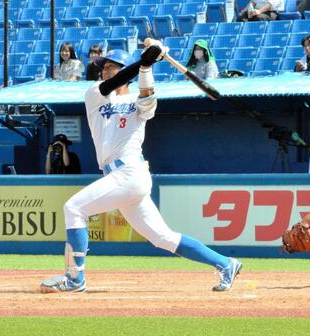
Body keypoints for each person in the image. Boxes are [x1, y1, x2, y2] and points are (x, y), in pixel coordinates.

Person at [40, 44, 242, 293]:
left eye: (112, 66)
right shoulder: (95, 94)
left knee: (73, 208)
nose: (106, 70)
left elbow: (146, 96)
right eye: (105, 66)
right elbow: (111, 84)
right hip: (118, 177)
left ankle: (74, 279)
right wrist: (144, 62)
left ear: (125, 70)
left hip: (130, 173)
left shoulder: (138, 101)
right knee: (163, 238)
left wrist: (146, 67)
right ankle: (226, 263)